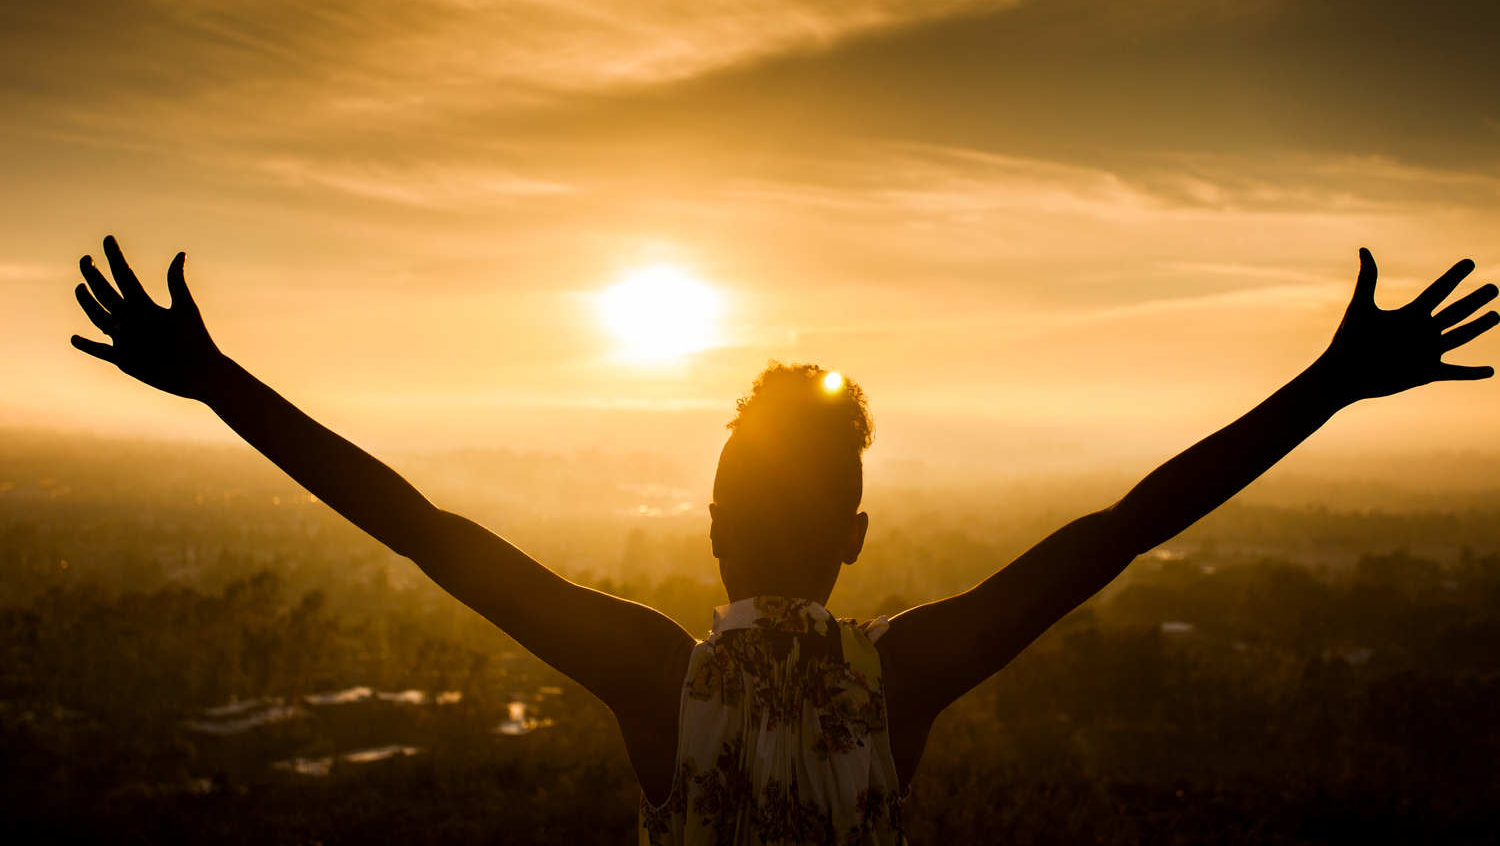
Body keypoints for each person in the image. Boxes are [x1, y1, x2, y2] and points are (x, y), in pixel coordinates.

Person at [71, 236, 1497, 845]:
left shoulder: (652, 679)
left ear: (705, 525)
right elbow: (1124, 531)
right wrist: (1327, 383)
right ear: (859, 538)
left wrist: (217, 383)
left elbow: (424, 532)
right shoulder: (906, 678)